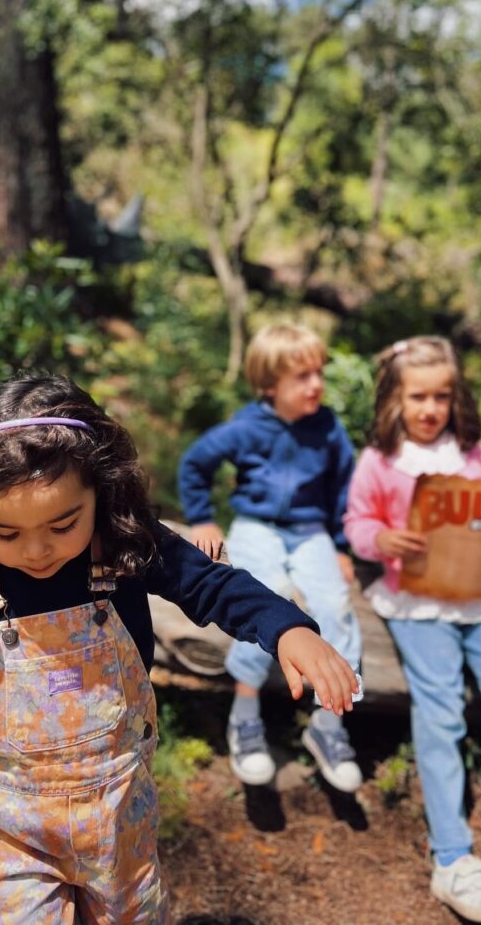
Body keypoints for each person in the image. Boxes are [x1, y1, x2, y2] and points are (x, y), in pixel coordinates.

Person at [0, 374, 360, 925]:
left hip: (117, 808)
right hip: (10, 816)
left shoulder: (129, 547)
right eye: (5, 533)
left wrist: (287, 628)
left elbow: (213, 585)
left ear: (99, 492)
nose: (35, 551)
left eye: (63, 524)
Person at [344, 336, 481, 925]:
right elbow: (357, 522)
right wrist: (381, 540)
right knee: (441, 714)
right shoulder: (380, 462)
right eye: (418, 397)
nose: (430, 408)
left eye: (441, 395)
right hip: (416, 604)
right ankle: (451, 852)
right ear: (395, 400)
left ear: (456, 397)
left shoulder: (475, 455)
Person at [178, 323, 363, 792]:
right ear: (269, 385)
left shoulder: (328, 428)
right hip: (257, 527)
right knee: (266, 598)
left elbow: (344, 489)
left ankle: (330, 724)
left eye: (319, 373)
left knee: (335, 605)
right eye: (302, 377)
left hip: (310, 531)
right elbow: (195, 464)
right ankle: (245, 713)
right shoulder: (246, 426)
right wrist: (201, 519)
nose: (316, 384)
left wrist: (341, 546)